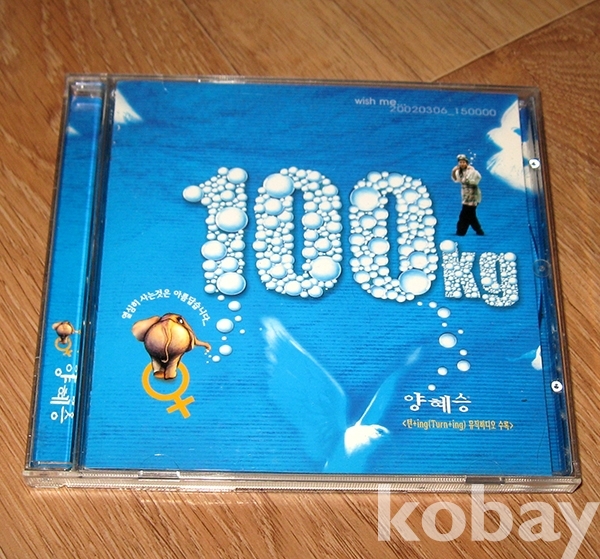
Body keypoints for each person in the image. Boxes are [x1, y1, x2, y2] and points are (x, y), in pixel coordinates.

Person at [451, 154, 484, 236]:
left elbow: (477, 178)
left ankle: (461, 232)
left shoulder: (472, 171)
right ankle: (479, 230)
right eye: (460, 162)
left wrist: (469, 179)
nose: (462, 164)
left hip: (473, 195)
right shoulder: (460, 171)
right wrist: (453, 171)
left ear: (466, 163)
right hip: (465, 196)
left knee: (464, 215)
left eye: (463, 162)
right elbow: (456, 179)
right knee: (471, 216)